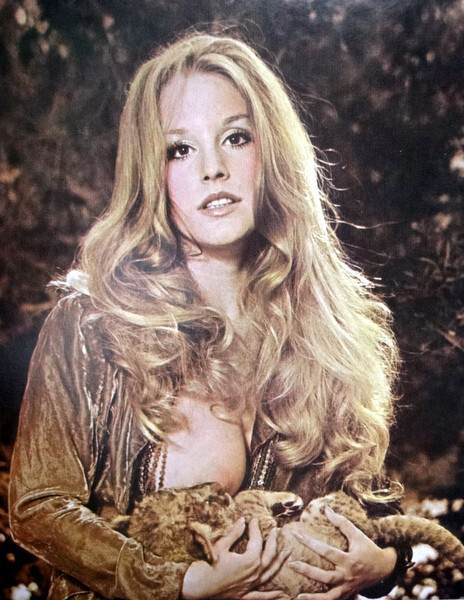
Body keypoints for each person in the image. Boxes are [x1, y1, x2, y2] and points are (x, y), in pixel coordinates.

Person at [9, 32, 411, 600]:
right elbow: (39, 506)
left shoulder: (330, 333)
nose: (213, 169)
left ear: (270, 152)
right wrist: (180, 583)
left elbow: (370, 501)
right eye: (180, 149)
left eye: (235, 137)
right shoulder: (92, 326)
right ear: (151, 172)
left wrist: (384, 563)